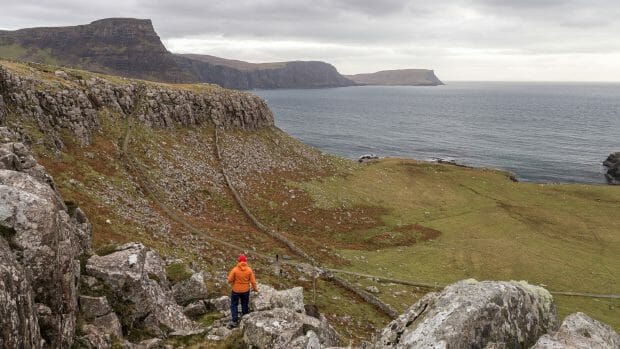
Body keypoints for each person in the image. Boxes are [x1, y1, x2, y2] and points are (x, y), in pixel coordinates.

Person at [227, 254, 258, 328]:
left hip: (236, 290)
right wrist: (255, 289)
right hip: (245, 290)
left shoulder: (235, 269)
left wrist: (234, 281)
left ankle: (234, 321)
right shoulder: (249, 270)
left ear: (239, 261)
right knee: (245, 303)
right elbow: (253, 281)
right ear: (245, 261)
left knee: (234, 304)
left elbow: (229, 280)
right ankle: (245, 317)